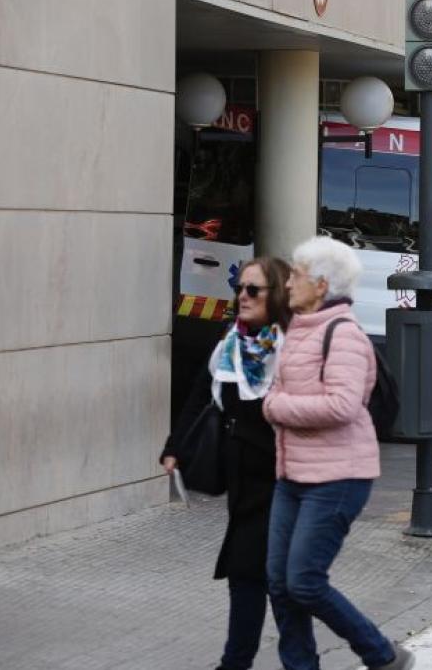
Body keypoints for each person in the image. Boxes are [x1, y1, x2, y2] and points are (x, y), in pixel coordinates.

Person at [263, 236, 414, 670]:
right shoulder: (296, 330)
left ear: (321, 284)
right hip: (293, 474)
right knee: (279, 582)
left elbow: (342, 405)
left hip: (339, 478)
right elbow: (276, 387)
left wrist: (276, 408)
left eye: (295, 274)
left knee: (305, 582)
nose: (287, 283)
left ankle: (381, 654)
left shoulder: (343, 334)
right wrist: (276, 401)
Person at [161, 256, 293, 670]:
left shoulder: (291, 348)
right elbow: (201, 396)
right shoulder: (230, 343)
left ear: (277, 296)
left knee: (278, 581)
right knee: (249, 574)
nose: (243, 297)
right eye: (241, 289)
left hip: (281, 481)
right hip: (242, 482)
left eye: (254, 290)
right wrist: (176, 447)